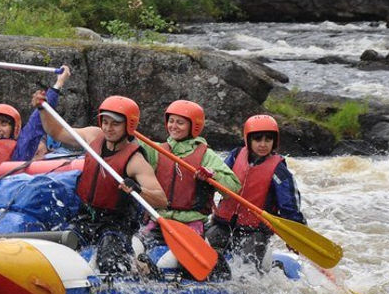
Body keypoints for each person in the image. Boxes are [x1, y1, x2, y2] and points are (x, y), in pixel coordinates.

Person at [39, 94, 166, 273]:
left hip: (116, 223)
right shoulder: (93, 136)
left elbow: (161, 200)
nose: (108, 128)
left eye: (115, 124)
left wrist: (138, 189)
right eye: (105, 122)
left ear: (129, 125)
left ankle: (128, 277)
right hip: (86, 216)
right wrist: (43, 110)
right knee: (59, 251)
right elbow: (57, 132)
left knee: (109, 262)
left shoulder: (135, 160)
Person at [138, 99, 240, 251]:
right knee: (136, 247)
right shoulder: (156, 150)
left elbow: (234, 187)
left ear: (194, 126)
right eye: (171, 121)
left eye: (180, 122)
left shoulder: (206, 155)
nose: (173, 126)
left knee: (174, 259)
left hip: (190, 223)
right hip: (158, 219)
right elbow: (131, 147)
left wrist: (213, 175)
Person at [205, 114, 306, 268]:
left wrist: (295, 236)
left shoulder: (278, 170)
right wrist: (209, 175)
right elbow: (221, 177)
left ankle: (271, 267)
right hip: (223, 224)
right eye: (258, 139)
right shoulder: (235, 156)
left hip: (255, 231)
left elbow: (289, 205)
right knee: (205, 252)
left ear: (274, 142)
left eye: (268, 140)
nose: (263, 144)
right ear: (248, 140)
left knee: (248, 268)